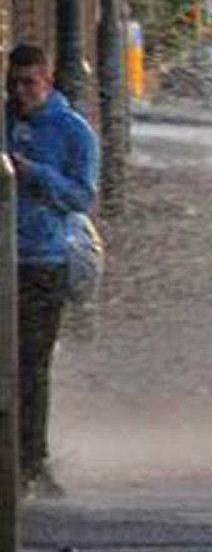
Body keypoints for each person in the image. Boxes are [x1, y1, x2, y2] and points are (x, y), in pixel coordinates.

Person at [6, 44, 100, 496]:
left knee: (31, 361)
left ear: (47, 82)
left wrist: (35, 175)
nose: (20, 93)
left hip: (44, 259)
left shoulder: (71, 132)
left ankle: (31, 458)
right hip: (5, 258)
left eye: (29, 84)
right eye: (14, 83)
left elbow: (82, 197)